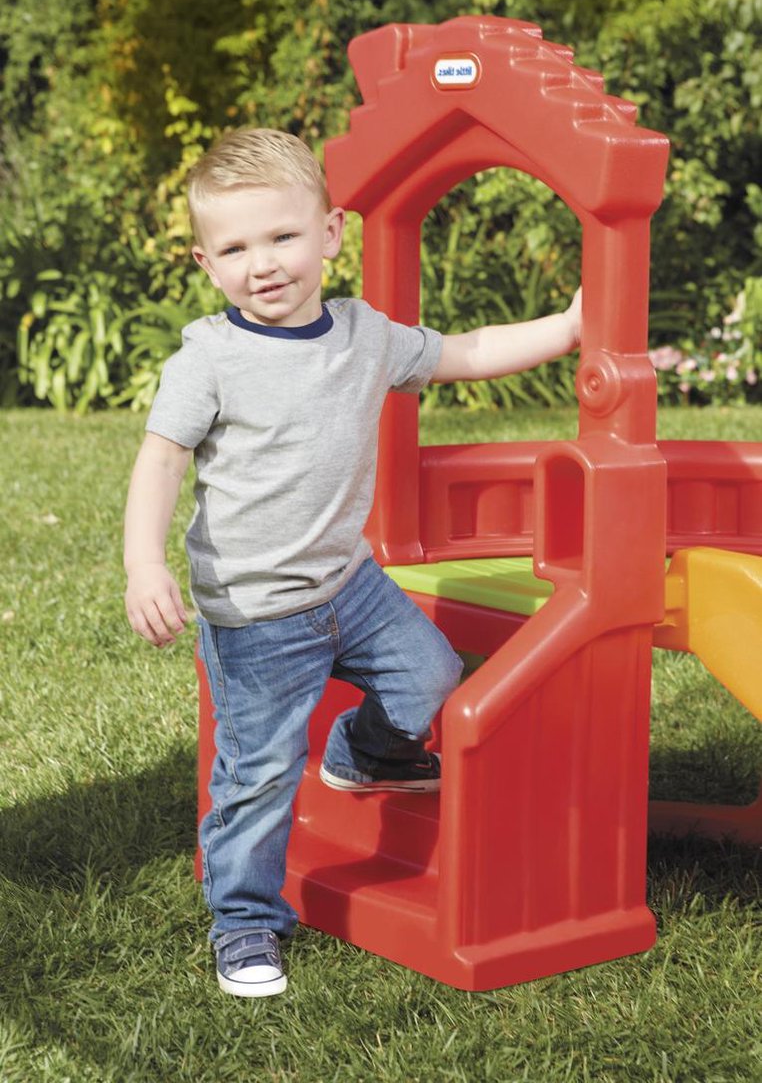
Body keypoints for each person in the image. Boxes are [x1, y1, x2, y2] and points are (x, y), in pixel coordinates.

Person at [123, 127, 582, 999]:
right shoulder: (209, 359)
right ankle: (246, 924)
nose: (263, 263)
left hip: (350, 584)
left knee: (432, 672)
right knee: (256, 776)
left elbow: (467, 352)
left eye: (283, 237)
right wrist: (146, 564)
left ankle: (362, 753)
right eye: (235, 248)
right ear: (204, 262)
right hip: (255, 614)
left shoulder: (366, 335)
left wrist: (565, 329)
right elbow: (159, 462)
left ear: (331, 232)